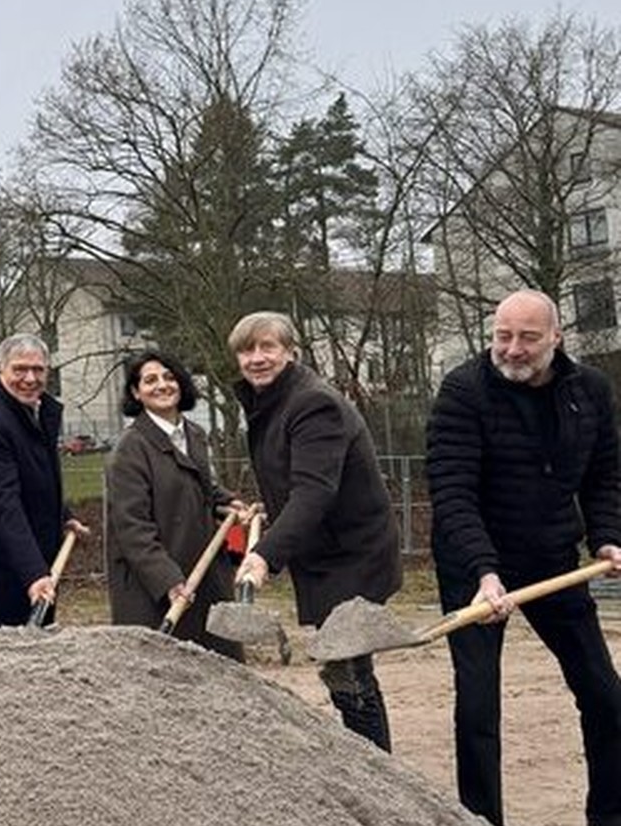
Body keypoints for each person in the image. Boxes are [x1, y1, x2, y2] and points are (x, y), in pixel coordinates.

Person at [427, 289, 621, 826]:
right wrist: (484, 573)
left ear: (555, 338)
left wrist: (606, 536)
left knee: (606, 697)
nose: (512, 349)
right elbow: (453, 491)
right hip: (474, 564)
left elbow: (604, 474)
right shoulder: (463, 391)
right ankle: (480, 818)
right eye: (502, 336)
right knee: (479, 707)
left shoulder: (591, 391)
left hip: (555, 559)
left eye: (527, 338)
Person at [229, 311, 401, 751]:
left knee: (349, 672)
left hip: (352, 556)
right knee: (342, 669)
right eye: (247, 350)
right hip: (326, 552)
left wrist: (264, 555)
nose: (257, 358)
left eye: (268, 347)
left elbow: (314, 492)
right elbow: (296, 479)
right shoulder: (271, 401)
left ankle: (377, 771)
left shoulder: (312, 403)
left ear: (290, 352)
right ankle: (367, 761)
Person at [106, 351, 247, 658]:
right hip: (153, 587)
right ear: (135, 392)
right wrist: (168, 580)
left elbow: (200, 485)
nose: (162, 385)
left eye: (169, 377)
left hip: (204, 572)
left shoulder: (194, 435)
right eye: (150, 380)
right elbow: (132, 528)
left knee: (221, 669)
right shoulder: (130, 449)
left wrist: (228, 501)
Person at [0, 333, 89, 628]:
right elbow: (3, 503)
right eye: (19, 369)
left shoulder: (31, 413)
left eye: (38, 370)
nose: (29, 378)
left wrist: (61, 516)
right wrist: (34, 574)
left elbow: (34, 478)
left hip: (32, 570)